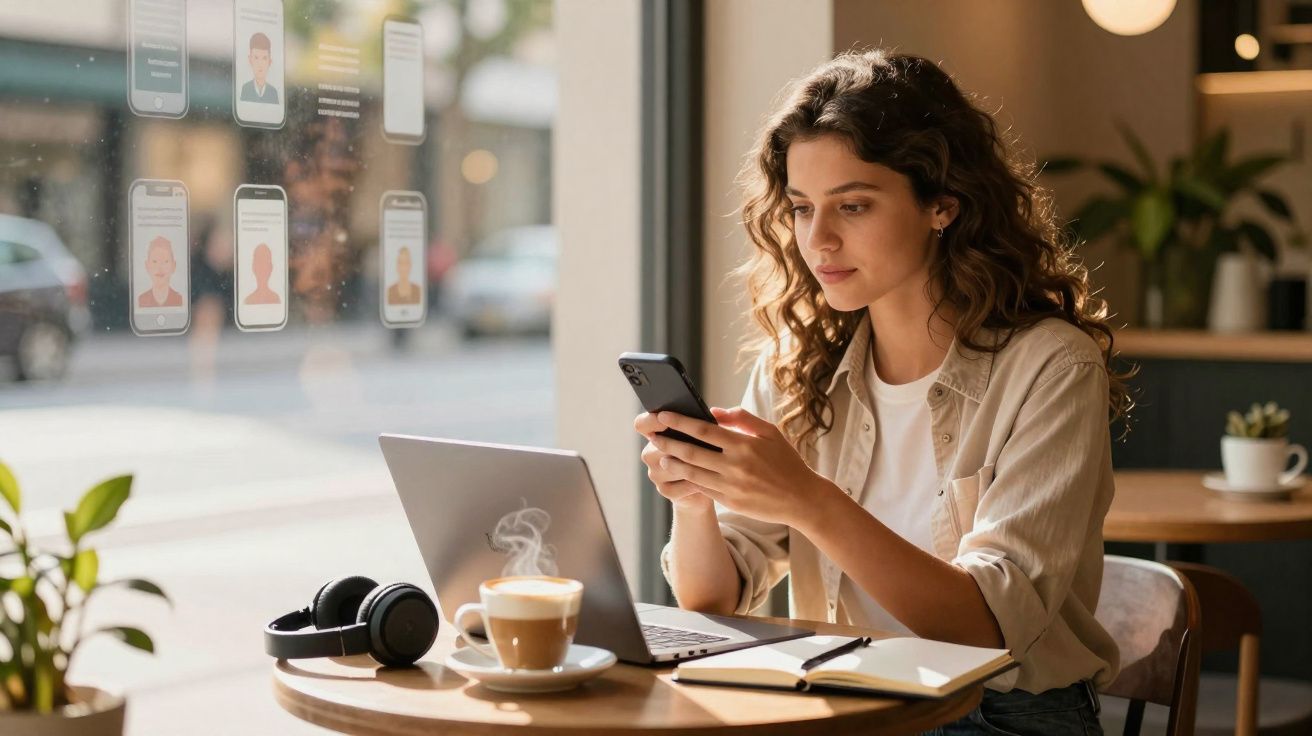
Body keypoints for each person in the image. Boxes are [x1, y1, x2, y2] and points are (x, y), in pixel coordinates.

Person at [635, 49, 1132, 735]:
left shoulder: (1050, 367)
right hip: (843, 702)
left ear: (942, 205)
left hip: (999, 717)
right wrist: (695, 500)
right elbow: (712, 600)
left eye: (854, 205)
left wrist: (808, 500)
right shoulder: (797, 368)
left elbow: (988, 629)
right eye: (802, 208)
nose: (818, 239)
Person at [137, 235, 183, 308]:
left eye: (165, 261)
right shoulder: (141, 300)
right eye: (155, 261)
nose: (160, 268)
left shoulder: (180, 300)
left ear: (174, 266)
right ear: (147, 266)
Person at [240, 32, 279, 104]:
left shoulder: (273, 93)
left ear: (270, 62)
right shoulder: (245, 89)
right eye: (256, 58)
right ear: (250, 60)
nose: (260, 64)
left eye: (264, 58)